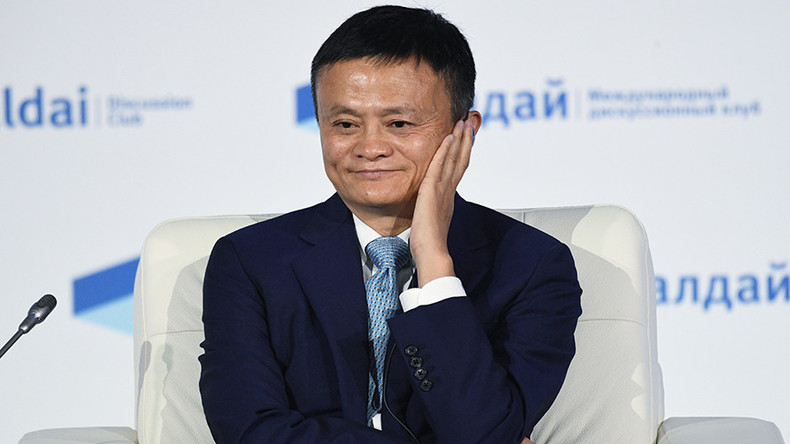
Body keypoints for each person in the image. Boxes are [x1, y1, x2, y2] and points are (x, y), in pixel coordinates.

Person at [199, 5, 582, 443]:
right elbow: (249, 430)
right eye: (345, 124)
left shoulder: (532, 266)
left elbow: (486, 433)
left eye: (399, 123)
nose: (370, 147)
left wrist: (434, 264)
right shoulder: (249, 261)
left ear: (465, 130)